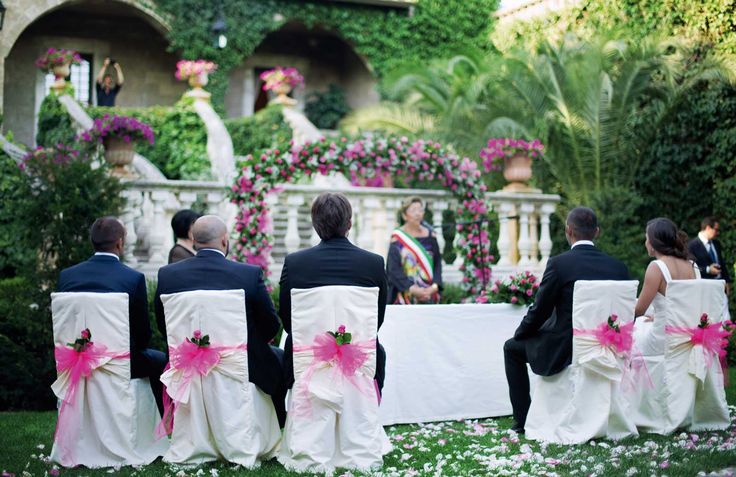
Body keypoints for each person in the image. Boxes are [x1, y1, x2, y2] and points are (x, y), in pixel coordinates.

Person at [503, 207, 629, 433]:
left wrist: (520, 333)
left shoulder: (559, 264)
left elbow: (540, 310)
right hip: (609, 346)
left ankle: (522, 421)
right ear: (597, 232)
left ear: (568, 230)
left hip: (565, 348)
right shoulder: (618, 267)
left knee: (511, 348)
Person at [154, 215, 287, 426]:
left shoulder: (168, 275)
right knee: (279, 358)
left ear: (194, 240)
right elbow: (271, 325)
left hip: (188, 366)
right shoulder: (248, 274)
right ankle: (276, 422)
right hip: (242, 366)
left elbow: (165, 326)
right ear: (225, 240)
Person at [279, 192, 388, 395]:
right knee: (377, 349)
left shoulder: (295, 263)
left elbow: (288, 320)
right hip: (360, 359)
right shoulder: (373, 263)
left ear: (315, 224)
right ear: (349, 223)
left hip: (306, 358)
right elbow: (376, 320)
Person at [57, 217, 166, 415]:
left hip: (76, 359)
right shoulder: (132, 278)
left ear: (93, 241)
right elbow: (142, 336)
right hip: (119, 362)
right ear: (120, 243)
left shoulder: (67, 276)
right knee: (159, 360)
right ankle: (161, 425)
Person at [633, 218, 700, 356]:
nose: (645, 243)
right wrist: (659, 315)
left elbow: (638, 311)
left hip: (663, 340)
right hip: (688, 337)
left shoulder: (656, 267)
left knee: (634, 333)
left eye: (646, 239)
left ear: (652, 242)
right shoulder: (693, 266)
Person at [386, 196, 442, 304]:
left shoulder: (431, 236)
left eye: (420, 210)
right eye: (413, 210)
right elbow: (393, 270)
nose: (417, 213)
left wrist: (434, 287)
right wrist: (412, 289)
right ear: (404, 215)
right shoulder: (397, 238)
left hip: (429, 294)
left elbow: (437, 264)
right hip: (404, 296)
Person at [688, 216, 732, 296]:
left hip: (720, 287)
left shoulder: (716, 243)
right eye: (716, 230)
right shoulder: (691, 245)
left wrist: (727, 281)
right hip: (704, 288)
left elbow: (721, 263)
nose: (718, 233)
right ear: (708, 228)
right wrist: (707, 270)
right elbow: (691, 267)